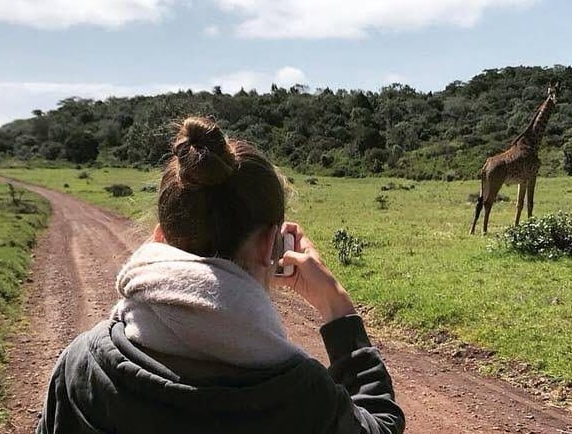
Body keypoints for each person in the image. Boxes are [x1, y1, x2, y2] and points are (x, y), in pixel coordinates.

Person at [37, 117, 405, 434]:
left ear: (160, 237)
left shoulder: (82, 367)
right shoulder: (305, 397)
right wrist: (337, 307)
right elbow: (381, 423)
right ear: (269, 245)